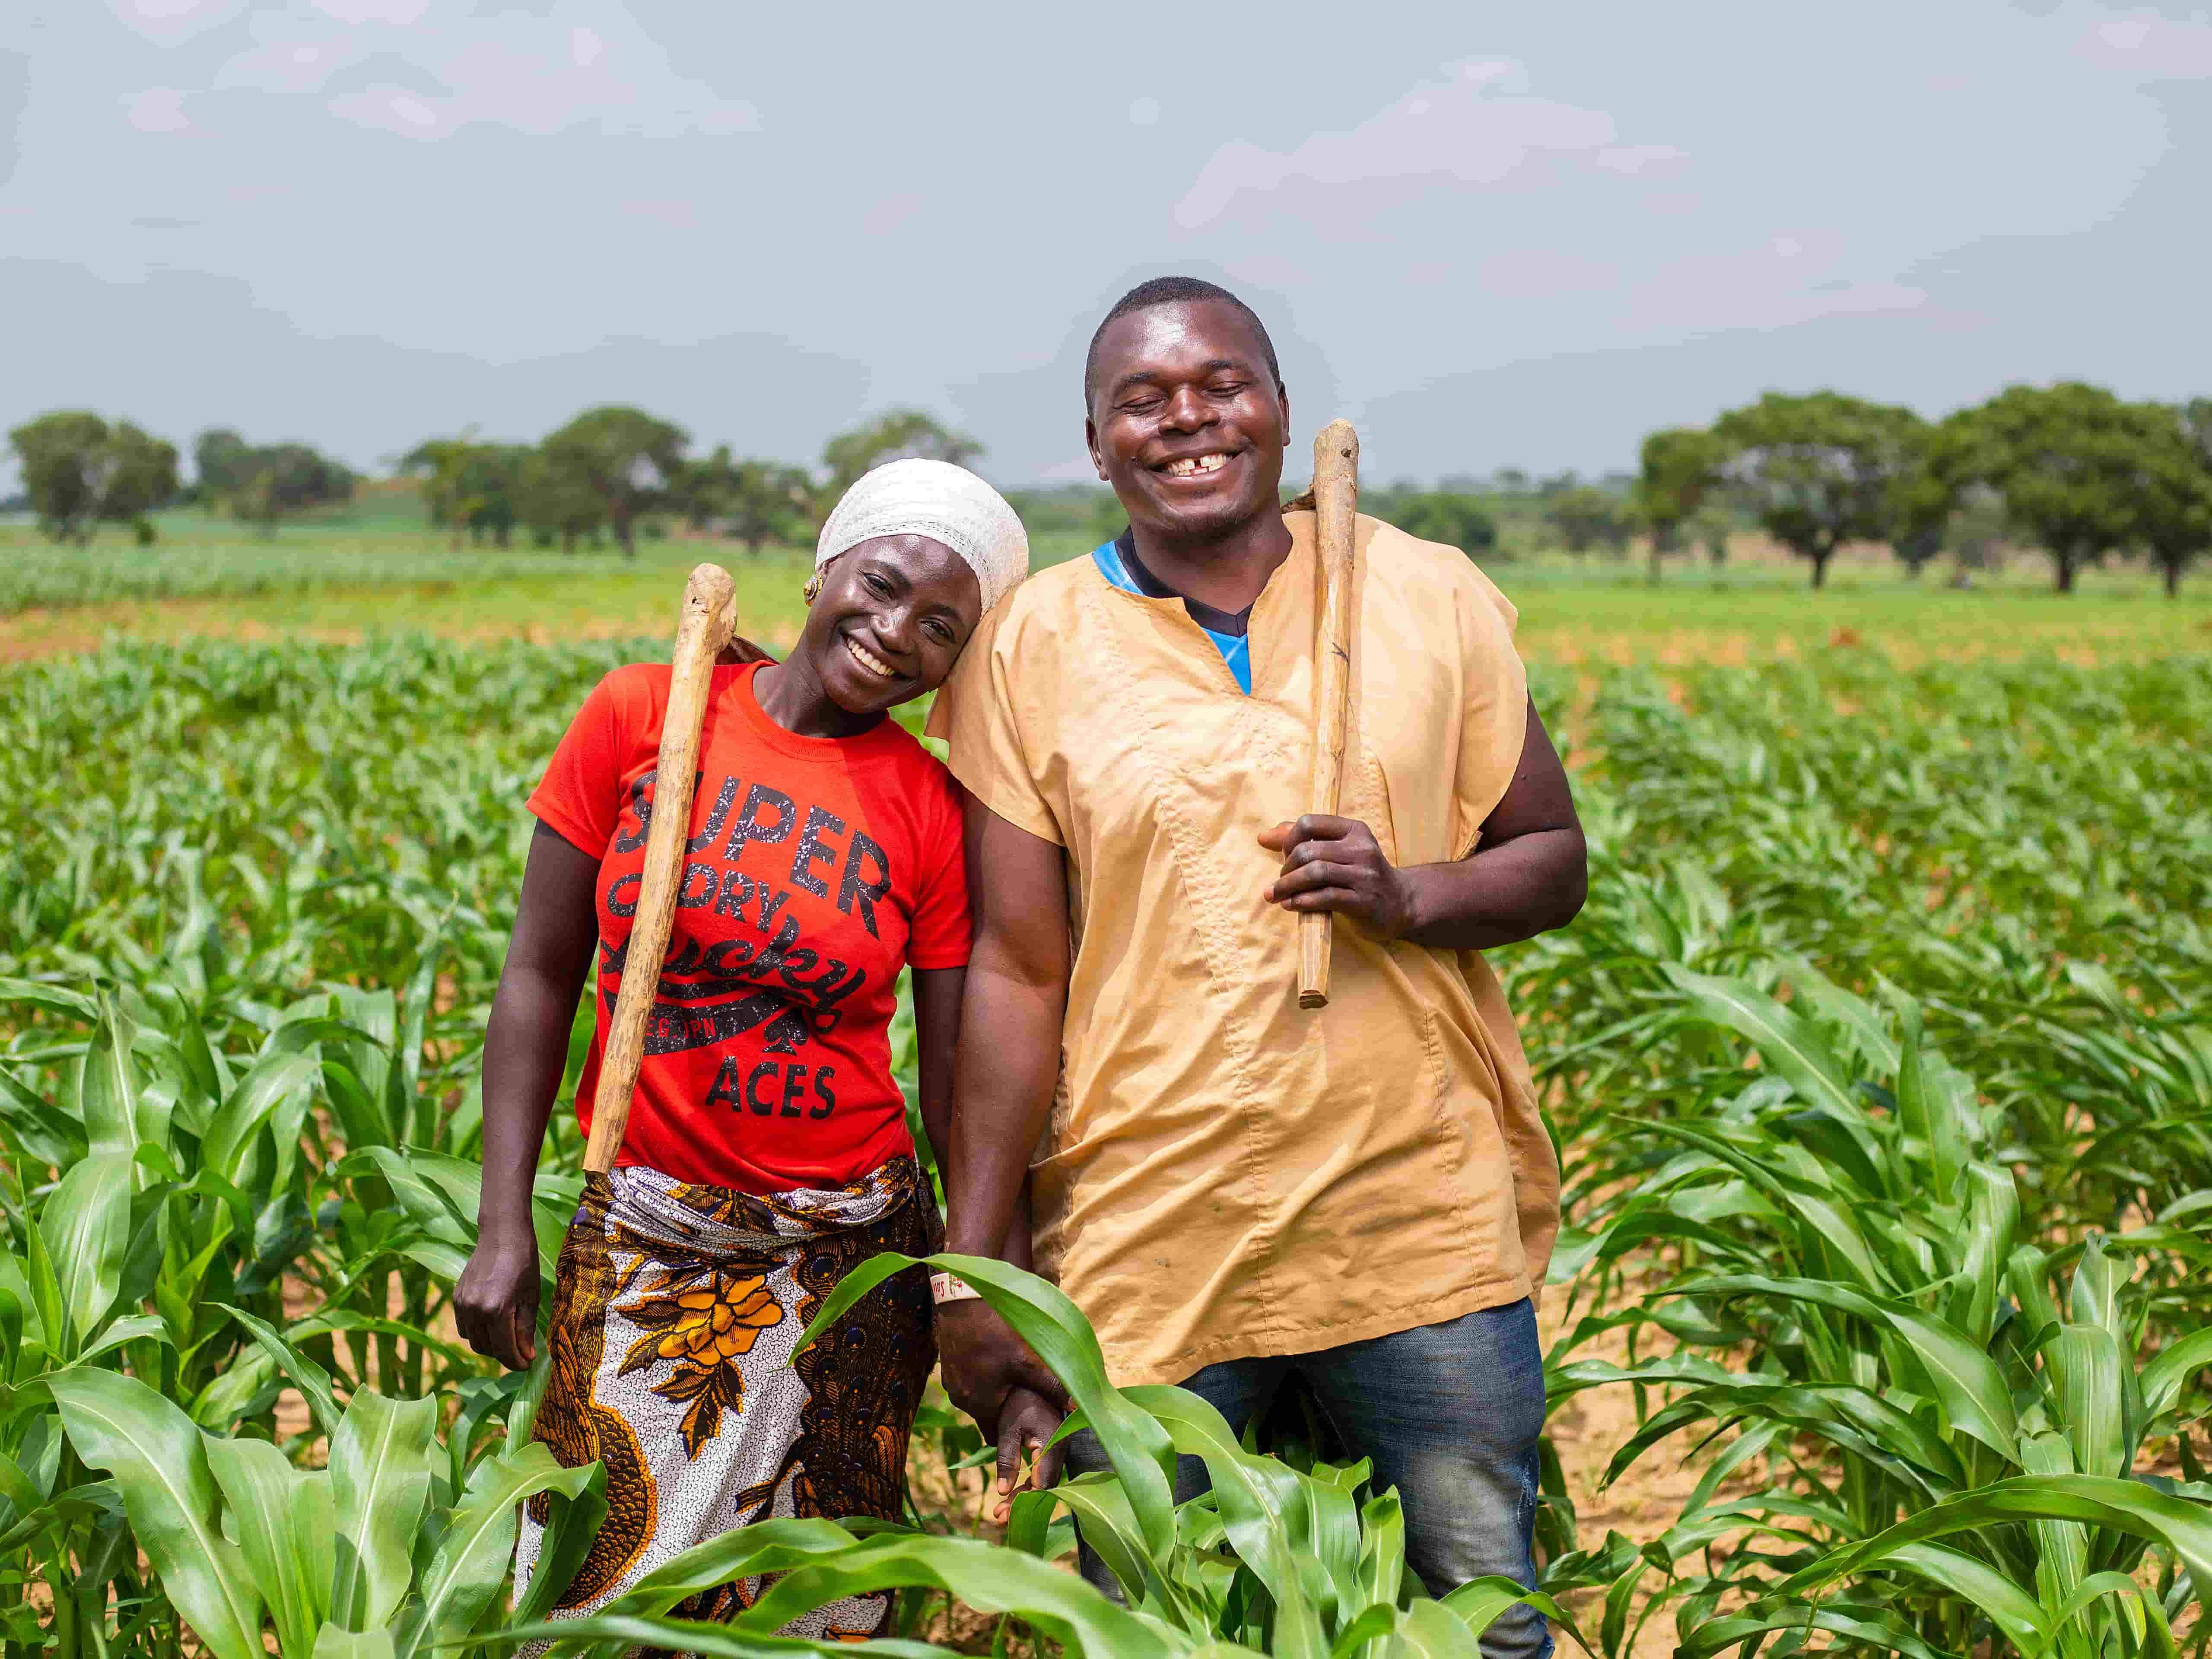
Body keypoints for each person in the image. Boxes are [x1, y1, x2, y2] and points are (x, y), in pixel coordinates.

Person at [928, 277, 1586, 1659]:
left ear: (1281, 409)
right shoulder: (1031, 644)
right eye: (1143, 400)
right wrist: (977, 1267)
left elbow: (1551, 859)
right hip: (1150, 1222)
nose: (1188, 420)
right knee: (1131, 1618)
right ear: (1098, 444)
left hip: (1415, 1216)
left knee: (1478, 1619)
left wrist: (1407, 893)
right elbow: (1014, 972)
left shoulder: (1428, 595)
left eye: (1221, 384)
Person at [452, 459, 1052, 1640]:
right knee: (592, 1576)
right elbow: (536, 975)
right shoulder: (648, 712)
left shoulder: (927, 805)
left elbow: (955, 1088)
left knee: (812, 1599)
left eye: (941, 627)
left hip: (843, 1260)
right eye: (879, 587)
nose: (894, 635)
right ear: (825, 569)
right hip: (641, 1232)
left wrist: (981, 1291)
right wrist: (501, 1218)